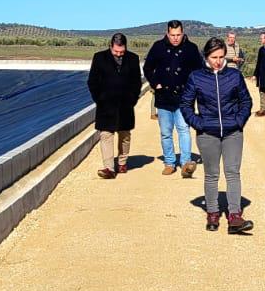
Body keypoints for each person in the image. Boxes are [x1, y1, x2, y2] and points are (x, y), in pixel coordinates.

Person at [179, 37, 254, 234]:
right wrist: (198, 124)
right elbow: (185, 104)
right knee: (211, 174)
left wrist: (239, 121)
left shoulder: (234, 76)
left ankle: (235, 216)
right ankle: (212, 212)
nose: (218, 61)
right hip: (207, 133)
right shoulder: (196, 77)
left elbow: (246, 102)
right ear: (206, 56)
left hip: (232, 132)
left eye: (221, 57)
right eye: (214, 57)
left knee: (233, 172)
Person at [143, 20, 204, 178]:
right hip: (164, 98)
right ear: (167, 33)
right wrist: (155, 83)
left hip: (184, 98)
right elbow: (147, 67)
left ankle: (185, 163)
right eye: (172, 35)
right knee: (165, 133)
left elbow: (200, 71)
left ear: (183, 33)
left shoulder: (191, 49)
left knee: (184, 130)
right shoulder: (158, 47)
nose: (175, 38)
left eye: (178, 35)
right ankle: (169, 163)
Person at [87, 33, 142, 179]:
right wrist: (99, 98)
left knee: (124, 135)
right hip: (106, 104)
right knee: (105, 134)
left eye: (121, 52)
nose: (119, 54)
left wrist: (133, 99)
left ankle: (122, 162)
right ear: (110, 46)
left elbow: (137, 82)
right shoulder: (99, 58)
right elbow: (92, 81)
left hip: (126, 104)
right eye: (116, 51)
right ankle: (109, 168)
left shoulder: (133, 58)